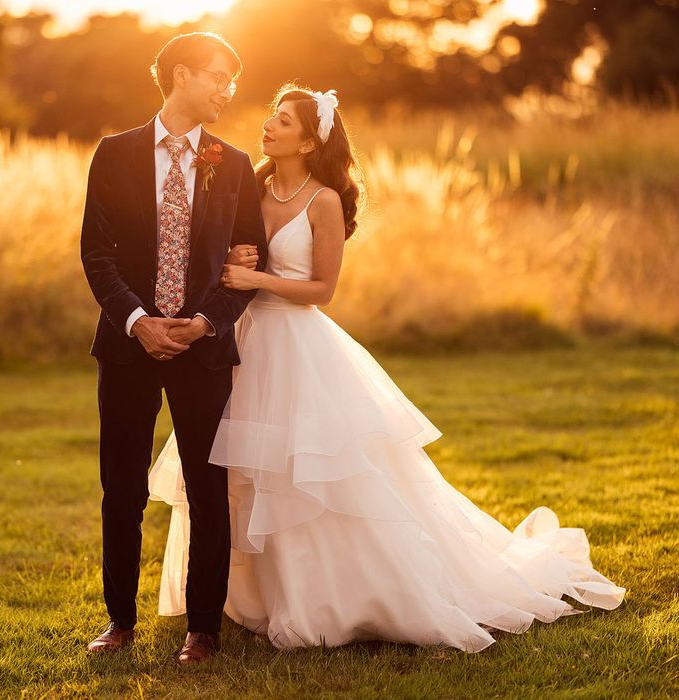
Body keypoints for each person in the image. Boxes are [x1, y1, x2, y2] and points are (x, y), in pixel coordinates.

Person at [149, 85, 626, 654]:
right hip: (242, 344)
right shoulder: (250, 184)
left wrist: (257, 280)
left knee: (307, 471)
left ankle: (329, 599)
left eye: (282, 121)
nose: (268, 127)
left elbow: (321, 291)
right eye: (271, 118)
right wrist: (232, 264)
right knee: (241, 473)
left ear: (309, 139)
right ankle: (249, 598)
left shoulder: (324, 200)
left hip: (299, 348)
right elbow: (223, 252)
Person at [80, 32, 267, 664]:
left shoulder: (234, 164)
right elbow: (95, 252)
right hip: (127, 349)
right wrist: (137, 320)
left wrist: (206, 323)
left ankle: (204, 628)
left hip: (204, 351)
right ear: (181, 75)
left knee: (208, 488)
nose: (227, 89)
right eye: (218, 76)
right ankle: (119, 622)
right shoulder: (114, 153)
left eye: (231, 80)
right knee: (122, 488)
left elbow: (248, 262)